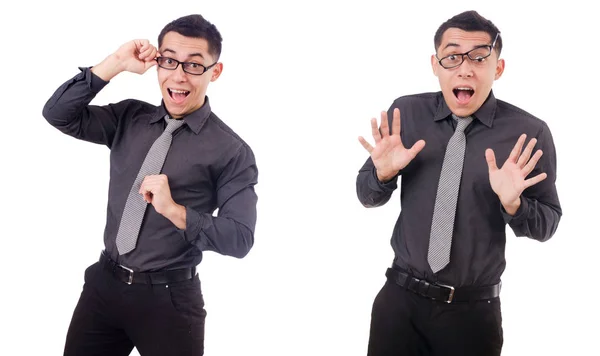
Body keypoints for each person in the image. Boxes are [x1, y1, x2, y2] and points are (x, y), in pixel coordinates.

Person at [42, 14, 258, 356]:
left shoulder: (231, 152)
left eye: (194, 66)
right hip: (104, 286)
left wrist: (176, 212)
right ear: (157, 62)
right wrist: (114, 64)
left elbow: (240, 238)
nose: (178, 75)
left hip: (168, 302)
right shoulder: (129, 118)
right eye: (169, 60)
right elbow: (57, 114)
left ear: (215, 72)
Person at [356, 10, 561, 356]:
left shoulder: (528, 134)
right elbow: (366, 195)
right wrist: (382, 175)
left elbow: (547, 224)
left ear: (498, 67)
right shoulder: (406, 113)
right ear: (435, 65)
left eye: (480, 57)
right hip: (398, 304)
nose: (465, 68)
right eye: (452, 57)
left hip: (471, 315)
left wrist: (515, 205)